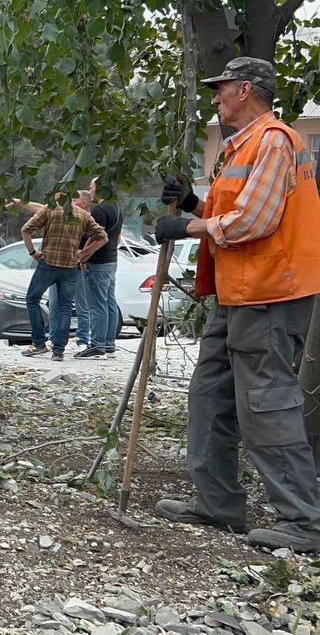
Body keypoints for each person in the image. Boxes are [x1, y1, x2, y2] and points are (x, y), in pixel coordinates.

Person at [152, 57, 320, 551]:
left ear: (246, 89)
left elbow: (254, 221)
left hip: (269, 294)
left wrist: (187, 227)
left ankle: (304, 522)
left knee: (266, 402)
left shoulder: (274, 140)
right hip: (240, 292)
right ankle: (217, 503)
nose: (215, 97)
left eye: (221, 88)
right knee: (210, 396)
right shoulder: (242, 146)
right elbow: (232, 216)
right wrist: (192, 207)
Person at [20, 197, 108, 362]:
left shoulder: (49, 209)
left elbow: (26, 229)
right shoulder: (83, 215)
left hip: (48, 263)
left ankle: (39, 343)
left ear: (58, 195)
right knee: (65, 307)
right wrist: (83, 253)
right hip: (69, 267)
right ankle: (58, 351)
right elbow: (103, 237)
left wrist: (32, 252)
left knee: (32, 299)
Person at [73, 184, 121, 359]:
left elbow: (96, 236)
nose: (89, 189)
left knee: (96, 305)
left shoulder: (100, 209)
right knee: (109, 302)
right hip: (111, 259)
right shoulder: (115, 206)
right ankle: (109, 344)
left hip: (98, 262)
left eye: (92, 186)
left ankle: (97, 345)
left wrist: (83, 256)